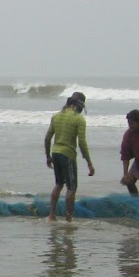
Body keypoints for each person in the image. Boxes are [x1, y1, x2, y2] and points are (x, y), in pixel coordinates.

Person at [44, 91, 94, 221]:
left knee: (59, 184)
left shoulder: (56, 117)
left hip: (55, 153)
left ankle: (51, 215)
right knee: (71, 188)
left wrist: (48, 156)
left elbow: (48, 138)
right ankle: (68, 218)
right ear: (79, 105)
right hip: (68, 155)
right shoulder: (79, 119)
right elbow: (82, 143)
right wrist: (89, 162)